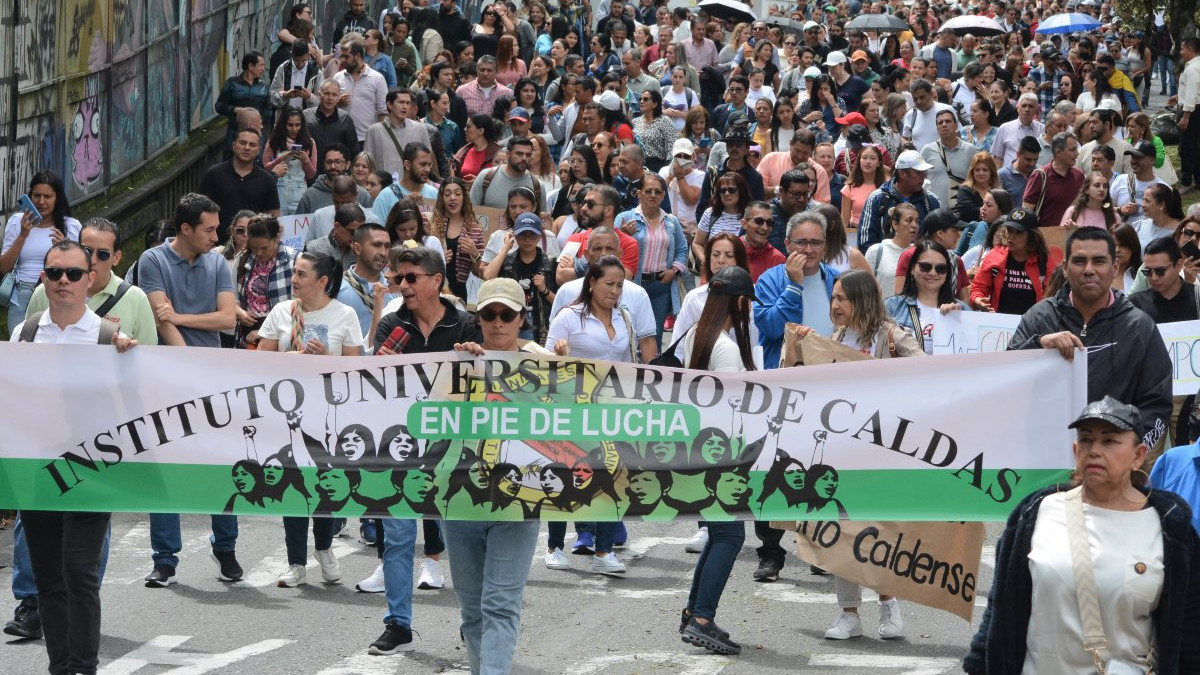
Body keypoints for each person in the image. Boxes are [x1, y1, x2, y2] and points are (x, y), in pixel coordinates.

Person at [964, 397, 1200, 675]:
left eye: (1110, 441)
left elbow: (1189, 636)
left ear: (1138, 455)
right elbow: (998, 614)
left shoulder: (1170, 527)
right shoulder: (1035, 514)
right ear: (1075, 450)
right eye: (1086, 440)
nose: (1095, 450)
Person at [11, 240, 137, 675]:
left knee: (79, 574)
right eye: (54, 273)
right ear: (43, 278)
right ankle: (60, 667)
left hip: (89, 469)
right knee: (48, 578)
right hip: (38, 469)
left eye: (73, 273)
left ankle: (83, 667)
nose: (63, 281)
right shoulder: (25, 334)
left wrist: (130, 360)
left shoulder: (108, 337)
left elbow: (135, 403)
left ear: (90, 279)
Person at [791, 269, 922, 640]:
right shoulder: (833, 338)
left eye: (841, 299)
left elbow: (928, 373)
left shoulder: (892, 336)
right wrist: (805, 347)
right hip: (840, 453)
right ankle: (848, 614)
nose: (834, 305)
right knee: (840, 531)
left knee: (879, 531)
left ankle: (888, 605)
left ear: (862, 301)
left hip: (882, 453)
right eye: (833, 298)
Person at [368, 244, 482, 654]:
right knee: (398, 539)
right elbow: (373, 389)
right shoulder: (391, 325)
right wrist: (379, 366)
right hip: (401, 448)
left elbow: (482, 387)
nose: (402, 285)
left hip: (453, 451)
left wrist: (476, 357)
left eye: (411, 277)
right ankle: (397, 624)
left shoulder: (466, 325)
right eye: (398, 277)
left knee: (463, 541)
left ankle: (474, 623)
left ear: (437, 281)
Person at [134, 194, 240, 586]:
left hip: (209, 377)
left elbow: (227, 319)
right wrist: (187, 363)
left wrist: (180, 315)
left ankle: (225, 547)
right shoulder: (152, 260)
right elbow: (160, 322)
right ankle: (165, 559)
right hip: (166, 379)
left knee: (220, 466)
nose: (216, 237)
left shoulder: (218, 262)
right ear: (185, 228)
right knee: (166, 469)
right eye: (209, 230)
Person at [445, 278, 548, 675]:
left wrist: (564, 365)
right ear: (479, 319)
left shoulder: (547, 364)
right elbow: (430, 422)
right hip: (462, 501)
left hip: (519, 502)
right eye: (489, 314)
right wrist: (461, 371)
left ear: (522, 318)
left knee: (500, 606)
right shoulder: (458, 362)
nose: (498, 322)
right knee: (472, 610)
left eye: (507, 314)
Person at [1010, 227, 1172, 451]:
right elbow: (1007, 382)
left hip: (1112, 461)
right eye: (1079, 261)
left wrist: (1128, 450)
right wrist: (1039, 345)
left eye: (1099, 261)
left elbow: (1157, 403)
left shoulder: (1139, 327)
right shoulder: (1039, 317)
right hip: (1043, 456)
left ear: (1114, 267)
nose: (1089, 270)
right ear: (1065, 267)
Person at [256, 251, 362, 587]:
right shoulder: (282, 312)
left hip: (328, 416)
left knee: (326, 483)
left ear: (322, 281)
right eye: (294, 272)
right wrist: (292, 358)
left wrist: (327, 358)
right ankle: (295, 562)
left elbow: (355, 369)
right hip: (287, 413)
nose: (294, 279)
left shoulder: (344, 314)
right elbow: (259, 360)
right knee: (294, 484)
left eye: (302, 274)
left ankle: (325, 547)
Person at [678, 265, 759, 657]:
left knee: (719, 533)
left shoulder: (696, 334)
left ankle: (694, 612)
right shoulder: (725, 348)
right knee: (730, 536)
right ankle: (702, 618)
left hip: (697, 448)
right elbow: (730, 409)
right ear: (740, 302)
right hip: (720, 452)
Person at [544, 255, 641, 576]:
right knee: (564, 475)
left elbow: (631, 361)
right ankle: (554, 547)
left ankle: (604, 551)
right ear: (591, 283)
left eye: (620, 285)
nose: (615, 291)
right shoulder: (569, 317)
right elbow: (544, 362)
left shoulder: (625, 317)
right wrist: (560, 355)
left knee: (610, 477)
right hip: (572, 408)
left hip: (612, 410)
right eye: (609, 284)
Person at [2, 172, 82, 333]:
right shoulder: (17, 222)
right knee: (20, 344)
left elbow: (80, 269)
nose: (41, 202)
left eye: (48, 196)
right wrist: (22, 235)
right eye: (36, 195)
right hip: (21, 295)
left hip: (57, 294)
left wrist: (64, 247)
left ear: (57, 198)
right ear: (29, 196)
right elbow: (3, 267)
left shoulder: (71, 226)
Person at [616, 172, 687, 345]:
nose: (653, 195)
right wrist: (623, 235)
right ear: (638, 193)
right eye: (648, 191)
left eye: (658, 192)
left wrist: (674, 270)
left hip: (660, 286)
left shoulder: (671, 221)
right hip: (632, 284)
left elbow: (682, 249)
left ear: (663, 195)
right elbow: (610, 249)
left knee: (655, 335)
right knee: (628, 332)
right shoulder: (625, 218)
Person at [481, 213, 557, 343]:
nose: (527, 239)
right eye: (522, 235)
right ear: (515, 236)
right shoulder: (507, 262)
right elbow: (487, 276)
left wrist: (544, 290)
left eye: (532, 235)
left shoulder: (551, 264)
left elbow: (559, 303)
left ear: (539, 236)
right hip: (511, 318)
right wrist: (505, 248)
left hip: (540, 324)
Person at [970, 208, 1062, 315]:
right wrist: (978, 300)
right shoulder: (994, 256)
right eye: (1009, 230)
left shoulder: (1045, 261)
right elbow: (978, 288)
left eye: (1018, 232)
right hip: (998, 322)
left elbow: (1053, 297)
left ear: (1032, 236)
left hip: (1033, 322)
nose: (1011, 236)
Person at [886, 240, 969, 354]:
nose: (933, 273)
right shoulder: (892, 307)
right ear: (912, 269)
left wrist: (958, 321)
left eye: (940, 269)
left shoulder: (963, 309)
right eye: (925, 267)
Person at [198, 128, 282, 241]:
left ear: (258, 150)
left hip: (253, 245)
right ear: (233, 145)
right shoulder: (213, 175)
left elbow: (273, 216)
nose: (247, 148)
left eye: (252, 145)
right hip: (217, 243)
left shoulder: (267, 180)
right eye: (242, 143)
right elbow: (201, 211)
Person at [857, 150, 941, 253]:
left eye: (924, 172)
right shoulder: (877, 198)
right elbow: (865, 242)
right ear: (902, 173)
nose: (924, 176)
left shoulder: (932, 201)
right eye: (918, 172)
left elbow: (940, 239)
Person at [1022, 131, 1085, 230]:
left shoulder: (1079, 176)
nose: (1077, 153)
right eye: (1072, 150)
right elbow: (1026, 212)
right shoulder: (1040, 175)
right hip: (1043, 236)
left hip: (1070, 235)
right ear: (1059, 153)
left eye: (1076, 149)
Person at [364, 89, 433, 177]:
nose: (405, 107)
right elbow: (367, 163)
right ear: (390, 104)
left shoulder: (420, 129)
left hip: (412, 183)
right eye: (401, 102)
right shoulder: (374, 131)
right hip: (384, 184)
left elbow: (428, 160)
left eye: (408, 103)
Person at [330, 41, 390, 144]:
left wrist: (379, 137)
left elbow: (383, 112)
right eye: (342, 56)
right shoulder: (338, 77)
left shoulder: (377, 78)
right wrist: (337, 102)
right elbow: (328, 105)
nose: (343, 60)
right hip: (340, 137)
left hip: (366, 138)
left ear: (357, 56)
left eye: (346, 56)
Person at [264, 109, 318, 216]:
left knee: (298, 224)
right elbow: (266, 168)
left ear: (302, 125)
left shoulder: (310, 143)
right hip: (278, 191)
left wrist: (305, 160)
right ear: (283, 125)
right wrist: (283, 157)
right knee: (278, 224)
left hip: (299, 191)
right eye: (290, 125)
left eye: (297, 125)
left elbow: (311, 175)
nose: (294, 129)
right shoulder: (274, 141)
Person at [216, 52, 271, 157]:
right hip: (234, 133)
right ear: (250, 66)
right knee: (230, 162)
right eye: (261, 65)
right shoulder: (232, 84)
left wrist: (258, 119)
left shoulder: (264, 87)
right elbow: (219, 106)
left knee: (256, 162)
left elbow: (268, 110)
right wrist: (234, 110)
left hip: (257, 134)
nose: (263, 69)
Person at [921, 109, 977, 212]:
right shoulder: (927, 150)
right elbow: (919, 179)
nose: (944, 125)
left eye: (948, 121)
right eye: (940, 123)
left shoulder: (970, 150)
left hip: (963, 211)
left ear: (956, 125)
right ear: (937, 128)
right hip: (935, 212)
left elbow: (976, 180)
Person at [864, 203, 919, 300]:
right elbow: (864, 288)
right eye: (909, 220)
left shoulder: (919, 253)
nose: (914, 225)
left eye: (917, 221)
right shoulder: (876, 251)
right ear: (895, 224)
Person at [304, 80, 361, 161]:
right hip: (309, 166)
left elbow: (354, 151)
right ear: (319, 95)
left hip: (336, 167)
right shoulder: (306, 116)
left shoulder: (345, 119)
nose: (330, 98)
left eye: (334, 95)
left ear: (338, 97)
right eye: (326, 93)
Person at [989, 93, 1045, 167]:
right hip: (1009, 173)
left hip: (1033, 173)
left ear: (1036, 110)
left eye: (1031, 106)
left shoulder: (1042, 130)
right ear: (1017, 107)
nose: (1027, 109)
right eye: (1024, 105)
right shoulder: (1005, 128)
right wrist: (999, 173)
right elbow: (997, 157)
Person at [1133, 183, 1184, 253]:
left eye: (1147, 201)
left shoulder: (1179, 232)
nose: (1142, 204)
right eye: (1143, 199)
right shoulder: (1140, 226)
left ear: (1162, 204)